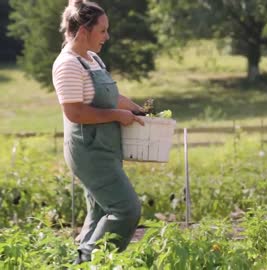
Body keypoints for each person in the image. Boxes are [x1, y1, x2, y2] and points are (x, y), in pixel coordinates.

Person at [52, 0, 145, 264]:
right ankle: (96, 263)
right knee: (126, 209)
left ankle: (78, 263)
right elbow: (75, 113)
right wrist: (118, 116)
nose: (107, 36)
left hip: (106, 147)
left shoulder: (92, 58)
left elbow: (111, 97)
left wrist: (140, 111)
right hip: (89, 151)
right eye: (102, 30)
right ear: (83, 30)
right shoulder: (67, 64)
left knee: (101, 210)